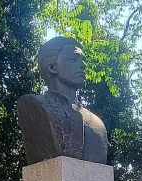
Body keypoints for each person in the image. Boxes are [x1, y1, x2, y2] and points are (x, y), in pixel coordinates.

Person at [17, 36, 108, 164]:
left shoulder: (97, 123)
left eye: (83, 60)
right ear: (52, 68)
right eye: (73, 59)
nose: (83, 65)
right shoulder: (34, 105)